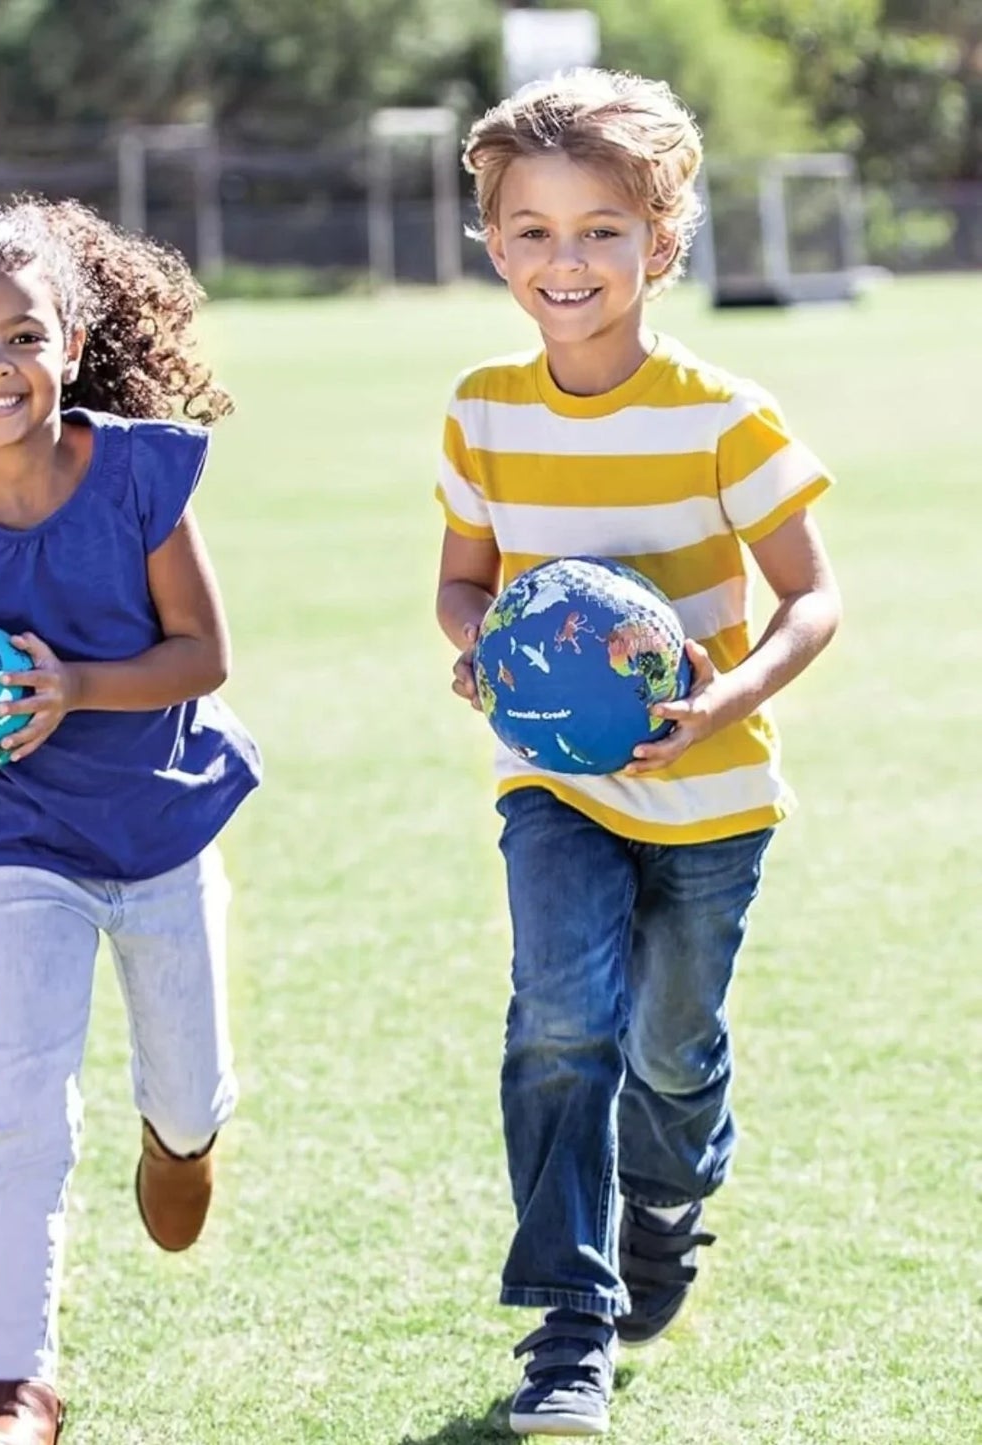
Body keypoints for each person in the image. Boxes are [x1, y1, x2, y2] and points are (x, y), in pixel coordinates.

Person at [434, 70, 842, 1436]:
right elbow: (462, 580)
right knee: (560, 1022)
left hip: (711, 795)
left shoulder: (725, 414)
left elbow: (811, 598)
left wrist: (726, 705)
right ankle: (570, 1329)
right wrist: (480, 645)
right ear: (494, 242)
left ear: (662, 242)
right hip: (551, 780)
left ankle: (670, 1193)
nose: (567, 260)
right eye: (534, 231)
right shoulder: (482, 408)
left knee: (671, 1049)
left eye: (602, 229)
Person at [0, 198, 261, 1445]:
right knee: (29, 1095)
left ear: (69, 343)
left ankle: (179, 1138)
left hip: (164, 830)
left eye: (19, 337)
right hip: (21, 838)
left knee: (183, 1105)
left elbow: (203, 655)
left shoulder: (135, 471)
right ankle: (19, 1387)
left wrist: (73, 685)